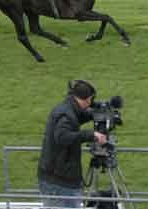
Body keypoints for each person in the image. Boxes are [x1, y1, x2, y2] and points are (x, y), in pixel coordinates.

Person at [38, 79, 107, 209]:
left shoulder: (67, 108)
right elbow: (63, 137)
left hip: (56, 178)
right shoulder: (66, 114)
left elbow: (75, 119)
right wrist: (91, 135)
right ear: (86, 99)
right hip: (60, 183)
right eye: (90, 100)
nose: (91, 103)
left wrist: (93, 115)